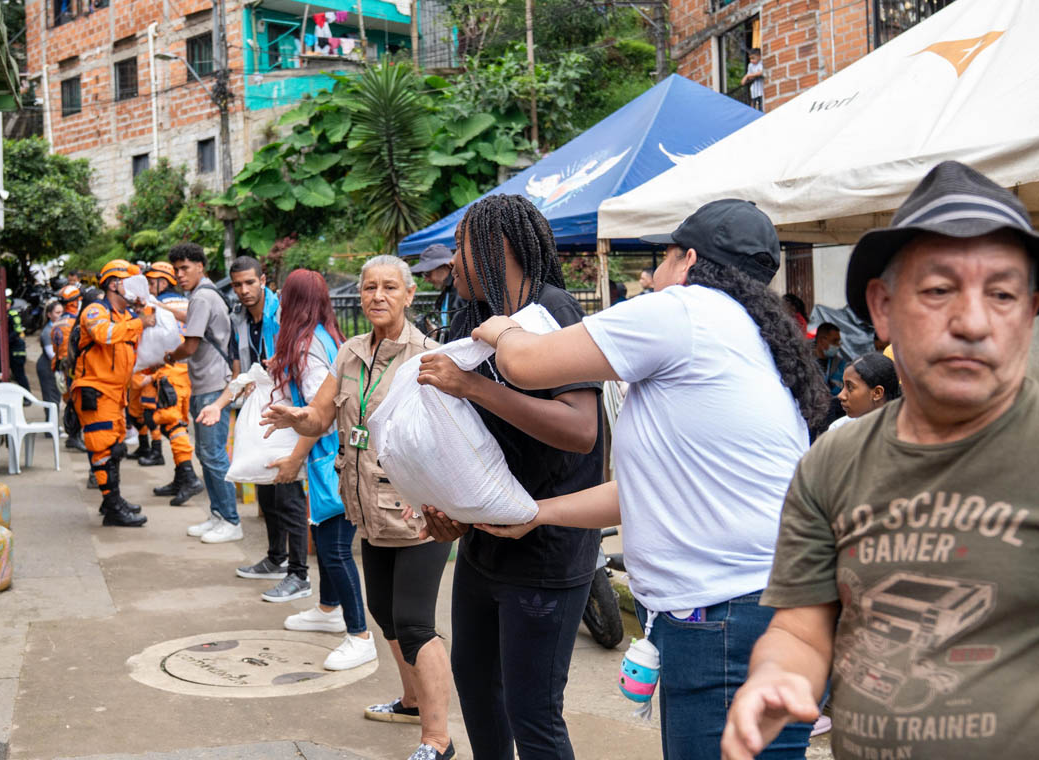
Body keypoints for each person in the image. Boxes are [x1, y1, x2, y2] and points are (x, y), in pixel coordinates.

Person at [470, 199, 830, 760]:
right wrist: (538, 514)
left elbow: (529, 363)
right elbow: (646, 491)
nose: (650, 276)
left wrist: (500, 331)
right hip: (767, 616)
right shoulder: (755, 342)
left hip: (726, 626)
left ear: (687, 261)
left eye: (658, 260)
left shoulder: (684, 311)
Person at [721, 161, 1039, 759]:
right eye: (939, 290)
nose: (972, 322)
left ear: (1029, 310)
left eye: (1001, 293)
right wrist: (777, 675)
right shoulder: (833, 461)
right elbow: (801, 626)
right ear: (883, 308)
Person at [416, 194, 603, 760]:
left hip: (547, 550)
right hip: (483, 547)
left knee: (534, 715)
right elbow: (472, 439)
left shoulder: (554, 313)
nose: (453, 259)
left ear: (495, 247)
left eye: (460, 246)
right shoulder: (474, 321)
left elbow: (580, 428)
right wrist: (445, 505)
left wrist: (471, 385)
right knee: (476, 689)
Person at [261, 255, 456, 760]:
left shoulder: (428, 358)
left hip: (417, 513)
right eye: (369, 287)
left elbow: (450, 439)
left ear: (410, 296)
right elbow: (320, 416)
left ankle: (438, 739)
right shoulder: (349, 354)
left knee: (414, 620)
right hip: (369, 511)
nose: (376, 296)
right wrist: (295, 418)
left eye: (390, 287)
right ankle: (411, 702)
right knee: (384, 613)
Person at [198, 256, 310, 598]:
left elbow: (305, 361)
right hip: (260, 410)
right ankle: (275, 558)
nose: (244, 290)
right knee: (266, 487)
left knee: (288, 489)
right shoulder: (239, 319)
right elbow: (241, 375)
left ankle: (299, 574)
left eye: (250, 282)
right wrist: (218, 405)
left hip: (292, 411)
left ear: (263, 280)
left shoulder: (285, 314)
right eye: (237, 285)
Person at [267, 271, 368, 634]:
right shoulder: (327, 338)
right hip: (334, 455)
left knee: (336, 549)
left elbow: (319, 415)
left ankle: (358, 632)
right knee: (327, 540)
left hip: (330, 457)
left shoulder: (306, 347)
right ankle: (328, 609)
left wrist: (295, 456)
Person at [70, 259, 155, 527]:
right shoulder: (96, 311)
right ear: (114, 284)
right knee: (102, 447)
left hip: (117, 393)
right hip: (95, 390)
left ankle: (112, 500)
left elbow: (146, 326)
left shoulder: (127, 316)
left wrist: (143, 310)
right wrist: (139, 321)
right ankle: (113, 506)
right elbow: (105, 335)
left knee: (116, 447)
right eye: (129, 283)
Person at [165, 243, 240, 543]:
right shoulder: (203, 295)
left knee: (212, 454)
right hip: (206, 383)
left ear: (201, 267)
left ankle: (231, 521)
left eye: (185, 268)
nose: (180, 275)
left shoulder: (202, 297)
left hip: (212, 386)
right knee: (207, 454)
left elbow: (190, 345)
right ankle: (218, 515)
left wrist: (170, 356)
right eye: (176, 269)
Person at [140, 262, 204, 504]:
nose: (148, 286)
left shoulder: (155, 307)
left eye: (151, 282)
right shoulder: (187, 303)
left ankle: (189, 477)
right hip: (188, 374)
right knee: (177, 424)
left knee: (172, 424)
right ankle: (180, 477)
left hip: (168, 373)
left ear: (163, 282)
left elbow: (149, 342)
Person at [828, 351, 900, 431]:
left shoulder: (905, 433)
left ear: (877, 393)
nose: (841, 395)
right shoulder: (838, 429)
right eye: (843, 386)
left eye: (850, 387)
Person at [53, 284, 87, 452]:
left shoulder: (58, 323)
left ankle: (73, 436)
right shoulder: (75, 322)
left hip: (60, 368)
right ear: (75, 302)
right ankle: (75, 437)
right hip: (72, 369)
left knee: (69, 402)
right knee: (76, 402)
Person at [410, 243, 464, 342]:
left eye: (428, 273)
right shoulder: (448, 291)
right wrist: (436, 333)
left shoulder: (460, 292)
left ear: (446, 266)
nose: (426, 279)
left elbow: (464, 338)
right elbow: (457, 334)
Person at [36, 301, 64, 406]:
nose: (61, 315)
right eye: (57, 312)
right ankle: (52, 422)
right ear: (49, 315)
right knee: (51, 400)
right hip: (47, 368)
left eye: (62, 312)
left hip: (55, 366)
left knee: (56, 397)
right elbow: (51, 354)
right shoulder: (47, 331)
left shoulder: (60, 327)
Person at [741, 47, 764, 111]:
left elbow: (761, 72)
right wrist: (747, 77)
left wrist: (748, 75)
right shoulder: (750, 65)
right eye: (750, 58)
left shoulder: (761, 63)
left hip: (761, 91)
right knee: (754, 106)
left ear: (759, 56)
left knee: (761, 106)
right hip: (754, 91)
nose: (751, 60)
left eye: (753, 58)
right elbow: (744, 81)